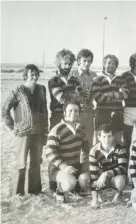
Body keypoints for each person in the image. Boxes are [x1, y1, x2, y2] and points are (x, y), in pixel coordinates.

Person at [1, 64, 48, 196]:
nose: (35, 77)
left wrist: (45, 129)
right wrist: (13, 127)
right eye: (32, 74)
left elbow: (44, 110)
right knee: (21, 164)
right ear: (25, 75)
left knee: (36, 163)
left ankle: (35, 191)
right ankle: (18, 193)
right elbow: (5, 111)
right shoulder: (17, 91)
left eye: (36, 74)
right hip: (23, 134)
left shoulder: (42, 89)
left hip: (38, 133)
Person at [48, 49, 83, 192]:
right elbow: (61, 98)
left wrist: (73, 96)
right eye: (65, 63)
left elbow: (80, 97)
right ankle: (53, 181)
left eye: (70, 63)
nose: (67, 66)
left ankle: (70, 176)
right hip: (57, 116)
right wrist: (73, 95)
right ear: (58, 63)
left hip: (72, 114)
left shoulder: (75, 79)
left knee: (71, 145)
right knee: (56, 147)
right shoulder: (53, 80)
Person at [45, 101, 90, 202]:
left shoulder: (81, 128)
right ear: (64, 112)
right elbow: (49, 152)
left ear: (79, 113)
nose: (73, 113)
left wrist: (86, 162)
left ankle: (75, 186)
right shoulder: (57, 129)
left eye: (76, 111)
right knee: (70, 183)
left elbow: (87, 147)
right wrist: (64, 166)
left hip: (75, 167)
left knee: (86, 180)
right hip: (58, 169)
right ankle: (58, 190)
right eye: (70, 110)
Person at [92, 54, 128, 145]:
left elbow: (125, 95)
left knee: (117, 141)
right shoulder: (97, 80)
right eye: (109, 63)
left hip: (118, 114)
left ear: (116, 66)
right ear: (104, 64)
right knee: (100, 141)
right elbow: (98, 98)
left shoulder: (120, 79)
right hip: (102, 114)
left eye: (114, 63)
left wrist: (108, 94)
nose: (111, 65)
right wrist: (116, 95)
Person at [89, 124, 128, 209]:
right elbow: (93, 176)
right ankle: (100, 194)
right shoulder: (94, 151)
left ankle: (119, 194)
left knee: (120, 181)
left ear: (113, 136)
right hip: (102, 180)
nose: (107, 140)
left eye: (109, 136)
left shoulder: (120, 147)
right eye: (104, 136)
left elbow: (122, 168)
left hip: (116, 177)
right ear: (99, 137)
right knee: (88, 181)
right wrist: (95, 199)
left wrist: (105, 174)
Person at [71, 49, 98, 146]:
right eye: (84, 61)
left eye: (89, 61)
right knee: (73, 142)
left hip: (88, 112)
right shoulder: (72, 74)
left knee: (88, 143)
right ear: (78, 61)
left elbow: (95, 94)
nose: (87, 64)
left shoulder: (94, 75)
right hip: (73, 113)